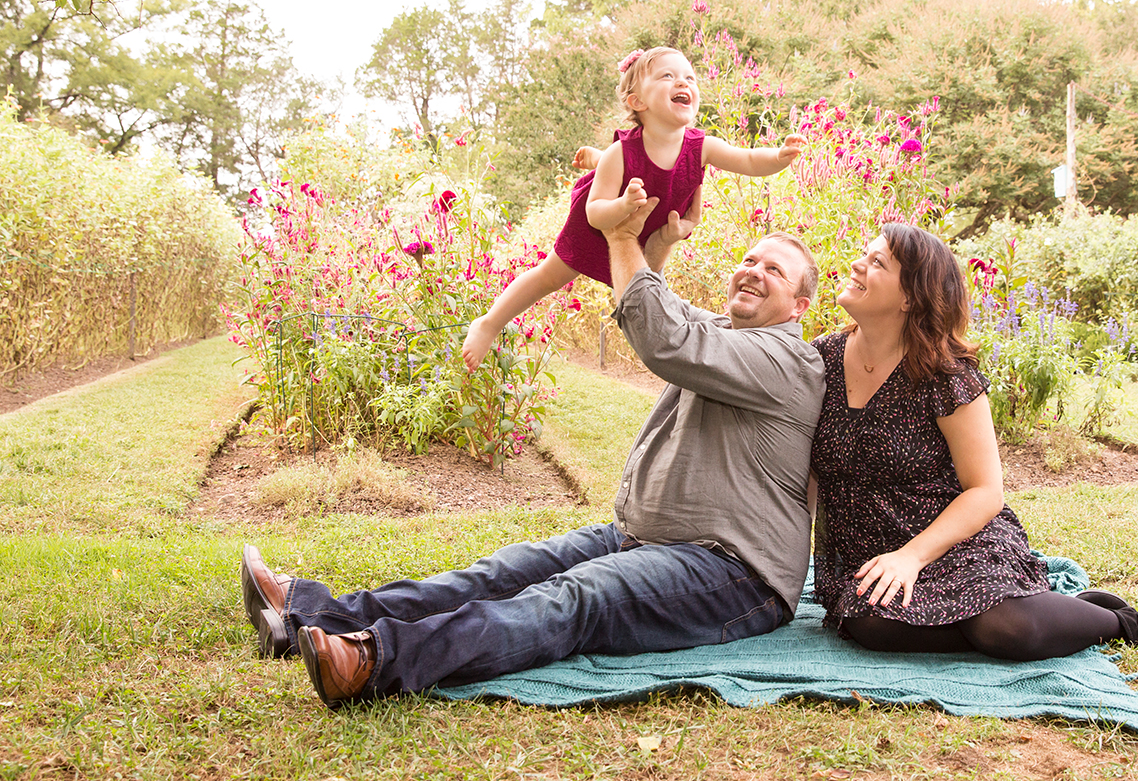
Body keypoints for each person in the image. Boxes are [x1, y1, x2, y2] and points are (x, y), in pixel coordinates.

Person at [240, 198, 827, 707]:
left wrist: (622, 235)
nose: (754, 271)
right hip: (644, 537)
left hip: (735, 573)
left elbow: (664, 338)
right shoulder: (724, 332)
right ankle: (310, 612)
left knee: (576, 597)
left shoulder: (788, 361)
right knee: (501, 572)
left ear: (799, 306)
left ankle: (373, 660)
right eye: (750, 260)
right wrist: (654, 241)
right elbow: (656, 306)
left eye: (774, 270)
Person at [810, 223, 1138, 662]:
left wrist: (912, 557)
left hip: (954, 542)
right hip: (871, 551)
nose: (857, 264)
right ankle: (1060, 612)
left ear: (909, 298)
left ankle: (1136, 624)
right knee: (872, 625)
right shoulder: (821, 359)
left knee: (1009, 630)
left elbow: (985, 491)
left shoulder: (944, 376)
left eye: (877, 262)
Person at [460, 45, 806, 372]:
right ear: (637, 101)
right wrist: (623, 205)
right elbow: (595, 212)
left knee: (642, 290)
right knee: (550, 276)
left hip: (648, 229)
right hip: (605, 218)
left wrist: (779, 156)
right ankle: (488, 323)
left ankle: (595, 161)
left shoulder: (703, 146)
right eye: (667, 76)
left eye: (689, 77)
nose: (683, 82)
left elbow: (748, 160)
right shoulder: (621, 153)